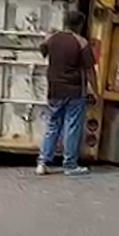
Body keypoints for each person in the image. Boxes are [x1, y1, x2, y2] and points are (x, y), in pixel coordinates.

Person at [36, 10, 96, 177]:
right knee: (72, 126)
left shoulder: (52, 39)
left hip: (54, 89)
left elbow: (42, 50)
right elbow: (90, 69)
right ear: (79, 25)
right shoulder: (81, 42)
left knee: (52, 125)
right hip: (75, 90)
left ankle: (42, 163)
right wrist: (95, 91)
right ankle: (70, 164)